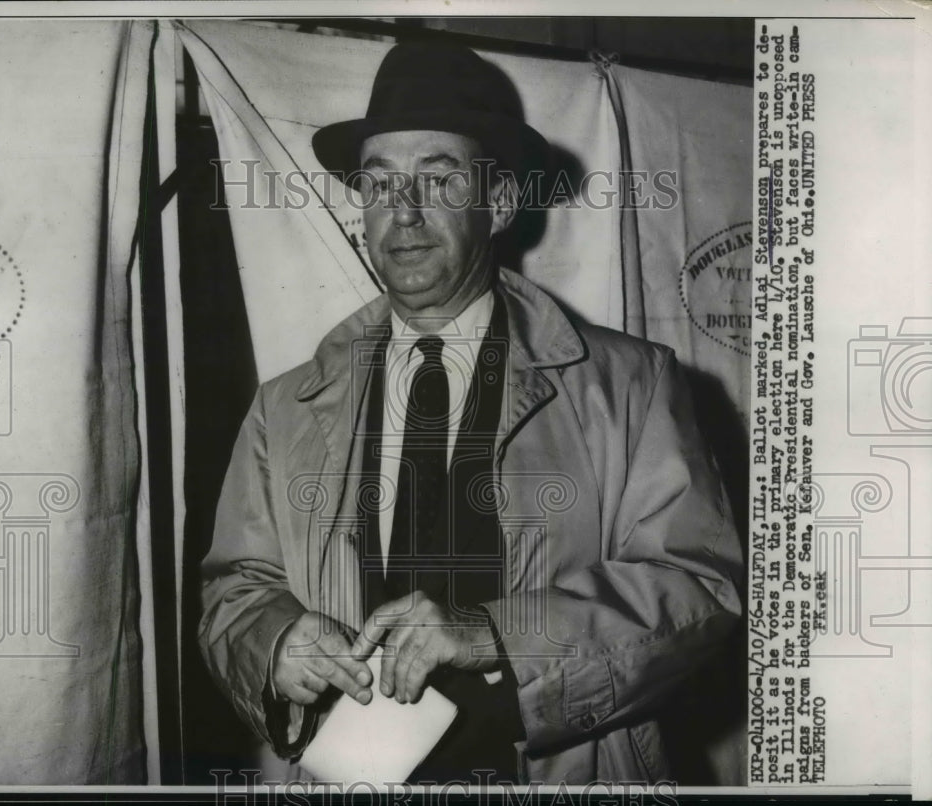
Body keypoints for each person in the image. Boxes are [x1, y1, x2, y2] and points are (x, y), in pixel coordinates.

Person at [198, 41, 743, 785]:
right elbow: (237, 586)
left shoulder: (630, 384)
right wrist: (274, 640)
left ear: (501, 205)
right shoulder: (285, 406)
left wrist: (496, 634)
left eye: (441, 179)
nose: (405, 213)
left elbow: (702, 594)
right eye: (381, 183)